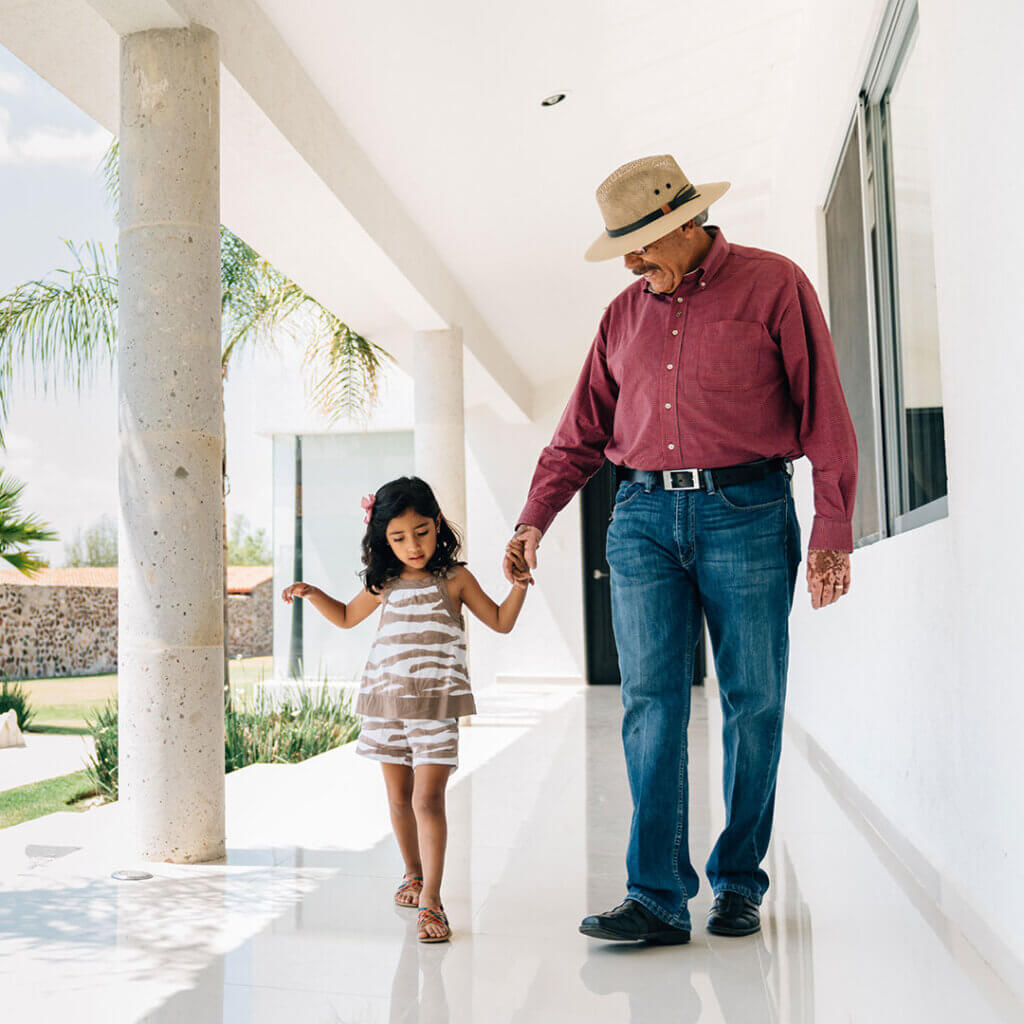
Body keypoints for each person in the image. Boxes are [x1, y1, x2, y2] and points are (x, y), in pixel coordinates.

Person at [503, 154, 858, 945]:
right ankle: (658, 896)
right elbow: (579, 433)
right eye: (622, 248)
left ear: (687, 224)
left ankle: (738, 882)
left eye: (641, 244)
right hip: (638, 521)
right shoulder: (622, 316)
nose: (630, 262)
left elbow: (825, 409)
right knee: (650, 707)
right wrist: (534, 517)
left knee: (752, 701)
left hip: (749, 510)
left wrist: (834, 528)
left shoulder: (775, 285)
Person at [283, 476, 530, 942]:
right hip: (386, 703)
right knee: (398, 800)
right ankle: (412, 874)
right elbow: (346, 617)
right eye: (398, 538)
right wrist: (313, 593)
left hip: (436, 706)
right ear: (383, 540)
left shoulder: (455, 578)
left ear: (437, 524)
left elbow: (500, 621)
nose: (412, 546)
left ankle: (432, 901)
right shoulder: (386, 581)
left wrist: (518, 585)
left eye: (421, 531)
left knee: (427, 799)